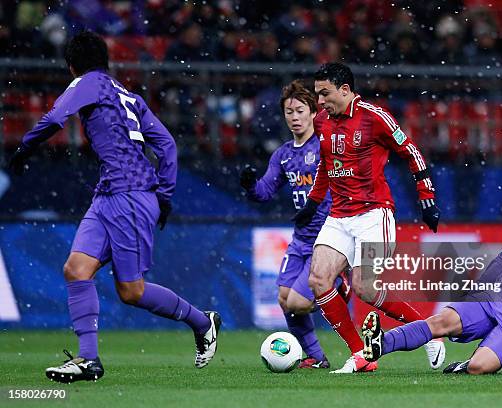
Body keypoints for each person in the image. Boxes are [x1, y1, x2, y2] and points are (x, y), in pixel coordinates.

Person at [7, 31, 221, 383]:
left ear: (71, 65)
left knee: (131, 291)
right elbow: (167, 145)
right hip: (110, 193)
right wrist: (164, 196)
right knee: (76, 269)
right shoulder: (130, 96)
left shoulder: (87, 83)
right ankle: (88, 359)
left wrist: (24, 148)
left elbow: (55, 118)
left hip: (130, 194)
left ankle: (202, 321)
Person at [361, 159, 502, 374]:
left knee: (479, 367)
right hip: (495, 295)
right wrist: (478, 289)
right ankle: (382, 342)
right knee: (441, 321)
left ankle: (468, 364)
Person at [293, 62, 444, 373]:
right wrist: (313, 202)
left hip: (375, 214)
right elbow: (326, 165)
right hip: (338, 215)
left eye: (325, 93)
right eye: (317, 94)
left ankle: (428, 330)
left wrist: (427, 199)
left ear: (345, 90)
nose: (319, 102)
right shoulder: (322, 122)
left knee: (364, 287)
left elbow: (411, 152)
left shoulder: (374, 117)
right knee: (318, 279)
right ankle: (360, 355)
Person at [240, 80, 347, 369]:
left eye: (300, 111)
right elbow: (264, 192)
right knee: (285, 299)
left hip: (327, 238)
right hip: (301, 239)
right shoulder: (283, 154)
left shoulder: (325, 147)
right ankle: (316, 357)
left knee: (300, 302)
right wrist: (250, 185)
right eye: (289, 112)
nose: (295, 117)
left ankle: (340, 283)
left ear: (314, 112)